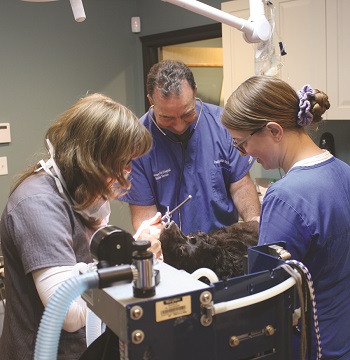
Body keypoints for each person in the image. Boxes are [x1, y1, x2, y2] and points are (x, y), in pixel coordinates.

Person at [0, 93, 162, 360]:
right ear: (93, 159)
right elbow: (69, 312)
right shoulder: (38, 204)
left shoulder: (80, 191)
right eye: (123, 162)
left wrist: (134, 247)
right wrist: (133, 265)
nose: (128, 171)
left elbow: (90, 265)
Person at [221, 75, 350, 359]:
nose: (244, 156)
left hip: (311, 348)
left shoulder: (285, 197)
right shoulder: (345, 172)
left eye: (241, 144)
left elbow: (264, 297)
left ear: (274, 131)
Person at [121, 60, 261, 235]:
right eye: (167, 118)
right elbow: (145, 214)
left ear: (195, 91)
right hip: (172, 250)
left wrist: (254, 224)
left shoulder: (223, 125)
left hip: (225, 247)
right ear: (151, 100)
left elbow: (240, 185)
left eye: (187, 114)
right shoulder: (137, 143)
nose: (179, 126)